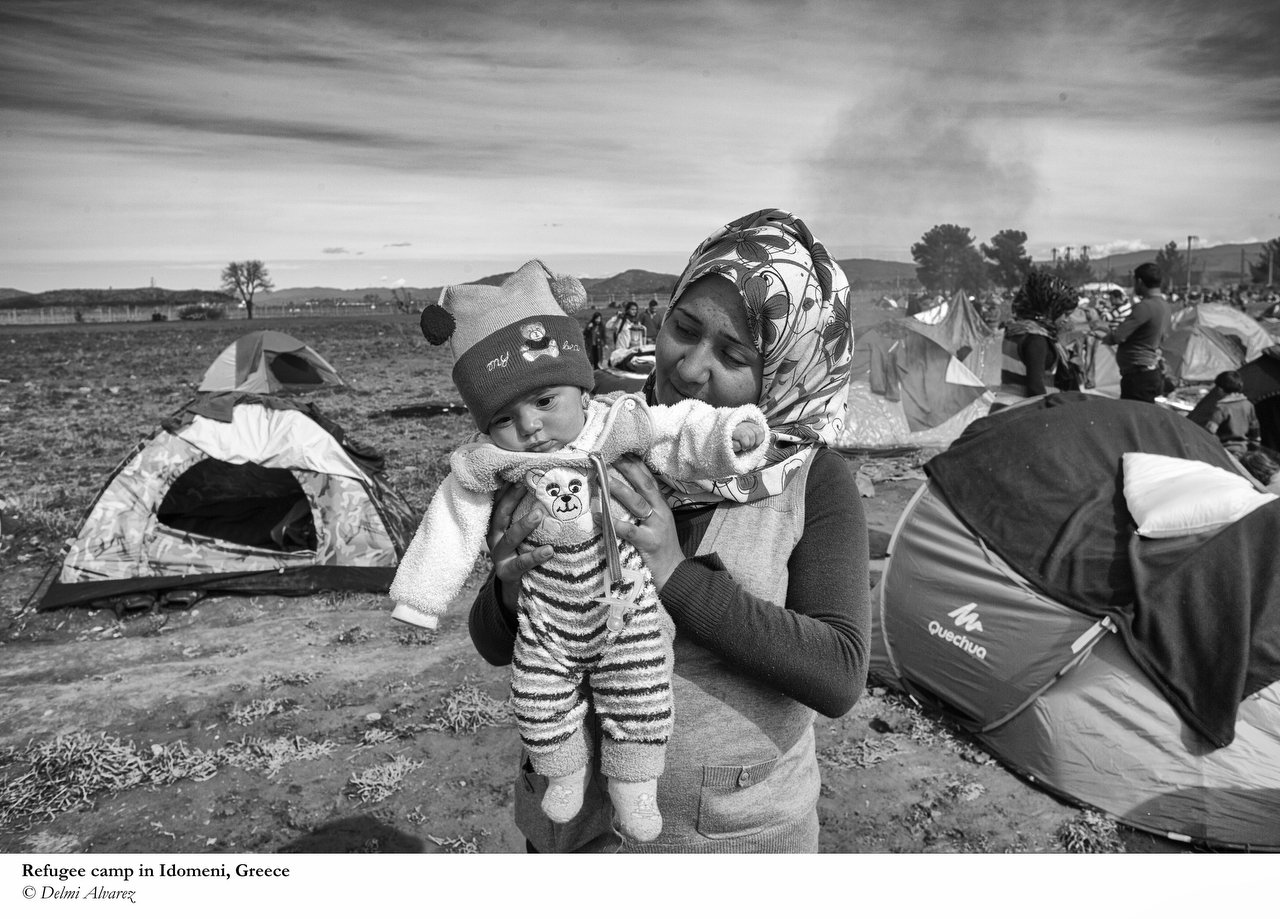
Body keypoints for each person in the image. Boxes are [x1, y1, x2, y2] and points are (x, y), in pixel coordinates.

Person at [468, 208, 870, 853]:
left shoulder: (811, 481)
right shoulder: (585, 434)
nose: (688, 367)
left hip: (727, 841)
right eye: (684, 328)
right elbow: (494, 644)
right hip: (571, 830)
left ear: (785, 371)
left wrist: (675, 575)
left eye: (734, 355)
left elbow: (840, 674)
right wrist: (509, 592)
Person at [389, 259, 771, 843]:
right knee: (538, 699)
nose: (531, 429)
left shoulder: (615, 425)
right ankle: (562, 773)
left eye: (544, 402)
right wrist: (427, 598)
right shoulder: (495, 466)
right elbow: (450, 519)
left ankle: (634, 788)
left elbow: (678, 429)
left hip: (626, 610)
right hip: (546, 618)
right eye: (504, 419)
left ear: (578, 386)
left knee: (641, 693)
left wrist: (729, 435)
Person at [1096, 262, 1172, 402]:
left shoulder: (1144, 307)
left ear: (1140, 282)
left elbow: (1118, 336)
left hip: (1138, 377)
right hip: (1150, 372)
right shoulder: (1165, 306)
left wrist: (1100, 332)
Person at [1002, 269, 1077, 397]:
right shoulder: (1036, 339)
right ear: (1050, 309)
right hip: (1028, 408)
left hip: (1008, 404)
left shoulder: (1016, 330)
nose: (1066, 320)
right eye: (1065, 314)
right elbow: (1035, 387)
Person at [1188, 370, 1260, 457]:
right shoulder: (1248, 405)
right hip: (1242, 450)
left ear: (1220, 389)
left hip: (1225, 451)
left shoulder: (1222, 408)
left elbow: (1210, 431)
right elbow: (1255, 430)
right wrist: (1254, 447)